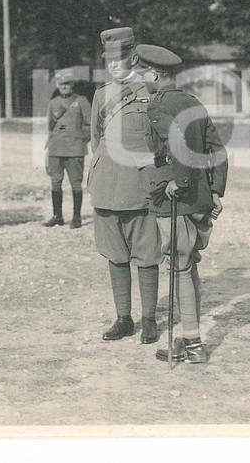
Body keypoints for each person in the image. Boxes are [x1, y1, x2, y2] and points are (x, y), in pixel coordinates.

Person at [136, 44, 227, 365]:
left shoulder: (158, 106)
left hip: (176, 199)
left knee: (179, 268)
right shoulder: (193, 102)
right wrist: (216, 190)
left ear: (154, 74)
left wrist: (179, 181)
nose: (140, 78)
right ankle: (192, 340)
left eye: (142, 72)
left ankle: (192, 345)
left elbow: (179, 148)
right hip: (201, 199)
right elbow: (217, 149)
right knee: (189, 267)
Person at [88, 27, 162, 345]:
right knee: (115, 255)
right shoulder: (101, 95)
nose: (114, 66)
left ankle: (148, 320)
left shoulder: (150, 91)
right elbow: (95, 139)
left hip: (139, 186)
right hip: (107, 185)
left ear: (133, 57)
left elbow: (160, 140)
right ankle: (123, 318)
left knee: (146, 255)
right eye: (109, 60)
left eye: (119, 59)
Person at [43, 68, 91, 228]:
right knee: (55, 182)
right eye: (60, 83)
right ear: (57, 84)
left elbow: (89, 124)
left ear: (72, 84)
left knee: (76, 184)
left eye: (67, 83)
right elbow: (49, 125)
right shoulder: (53, 102)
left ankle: (76, 217)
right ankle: (58, 216)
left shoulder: (82, 101)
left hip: (74, 149)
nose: (63, 86)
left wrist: (82, 138)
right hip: (56, 148)